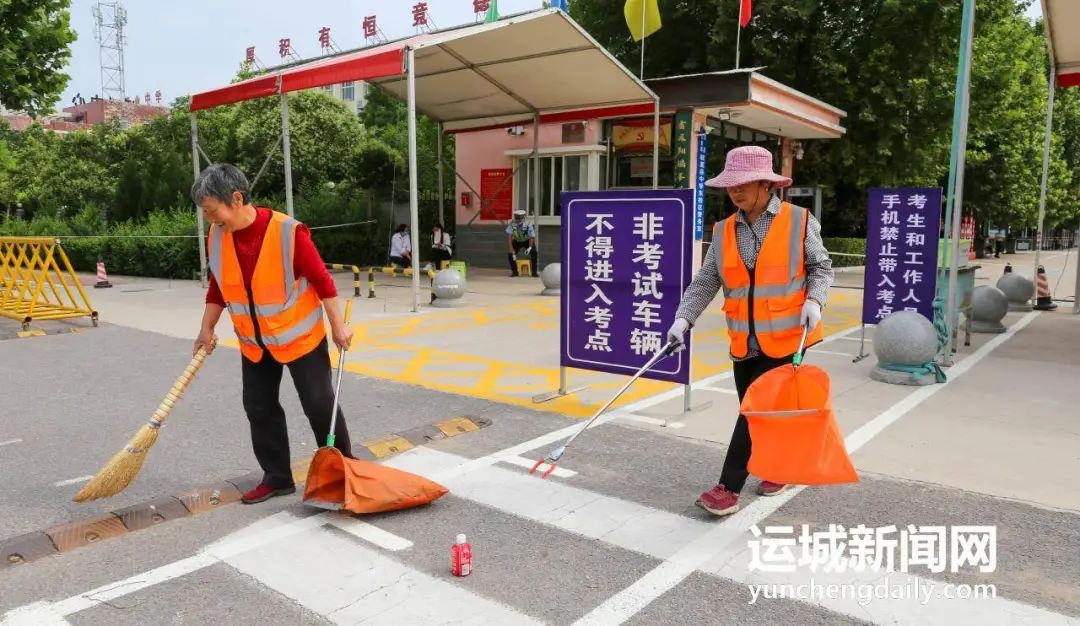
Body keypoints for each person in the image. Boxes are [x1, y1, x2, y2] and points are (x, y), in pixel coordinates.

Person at [665, 145, 833, 517]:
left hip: (788, 336)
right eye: (730, 185)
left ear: (764, 183)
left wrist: (815, 302)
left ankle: (728, 487)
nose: (735, 191)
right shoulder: (724, 229)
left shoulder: (798, 220)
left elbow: (821, 267)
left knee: (753, 411)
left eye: (742, 184)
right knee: (760, 412)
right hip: (744, 340)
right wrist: (683, 318)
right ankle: (778, 467)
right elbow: (707, 279)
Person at [191, 164, 355, 505]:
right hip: (255, 342)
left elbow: (322, 280)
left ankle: (345, 474)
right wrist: (206, 327)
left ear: (236, 199)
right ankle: (277, 477)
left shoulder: (287, 232)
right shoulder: (218, 236)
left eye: (213, 212)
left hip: (299, 337)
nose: (211, 221)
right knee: (258, 406)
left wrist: (338, 325)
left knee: (319, 403)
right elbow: (220, 287)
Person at [506, 209, 538, 277]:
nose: (518, 221)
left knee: (534, 253)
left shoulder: (528, 224)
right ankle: (515, 272)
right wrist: (512, 251)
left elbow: (531, 237)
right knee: (510, 255)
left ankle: (534, 272)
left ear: (523, 218)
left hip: (527, 241)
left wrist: (529, 248)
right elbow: (509, 239)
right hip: (517, 241)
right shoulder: (512, 224)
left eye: (520, 220)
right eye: (517, 219)